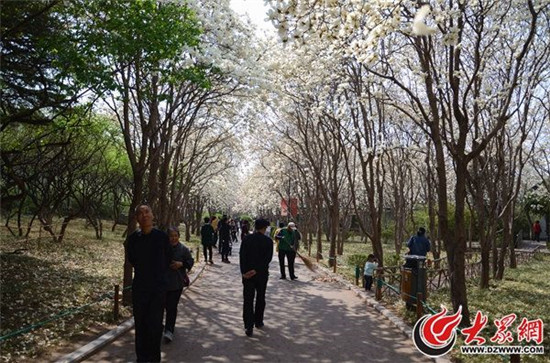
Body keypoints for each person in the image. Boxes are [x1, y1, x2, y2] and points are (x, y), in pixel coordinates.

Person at [125, 204, 172, 363]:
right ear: (136, 218)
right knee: (141, 326)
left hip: (157, 290)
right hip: (140, 289)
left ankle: (153, 359)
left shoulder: (162, 237)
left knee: (155, 326)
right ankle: (141, 359)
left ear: (152, 215)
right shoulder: (132, 239)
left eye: (147, 212)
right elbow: (132, 260)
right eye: (140, 213)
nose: (144, 215)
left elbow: (168, 258)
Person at [239, 218, 274, 337]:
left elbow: (242, 256)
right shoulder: (268, 241)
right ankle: (258, 321)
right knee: (260, 297)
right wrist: (256, 270)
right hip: (261, 274)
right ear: (264, 228)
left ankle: (248, 326)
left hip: (247, 274)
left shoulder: (247, 239)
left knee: (248, 299)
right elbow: (267, 259)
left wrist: (244, 272)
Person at [163, 227, 194, 343]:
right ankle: (161, 326)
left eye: (176, 235)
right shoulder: (163, 248)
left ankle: (169, 330)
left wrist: (181, 264)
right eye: (171, 236)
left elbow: (190, 261)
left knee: (171, 307)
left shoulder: (183, 249)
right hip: (162, 283)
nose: (174, 238)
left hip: (176, 283)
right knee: (161, 306)